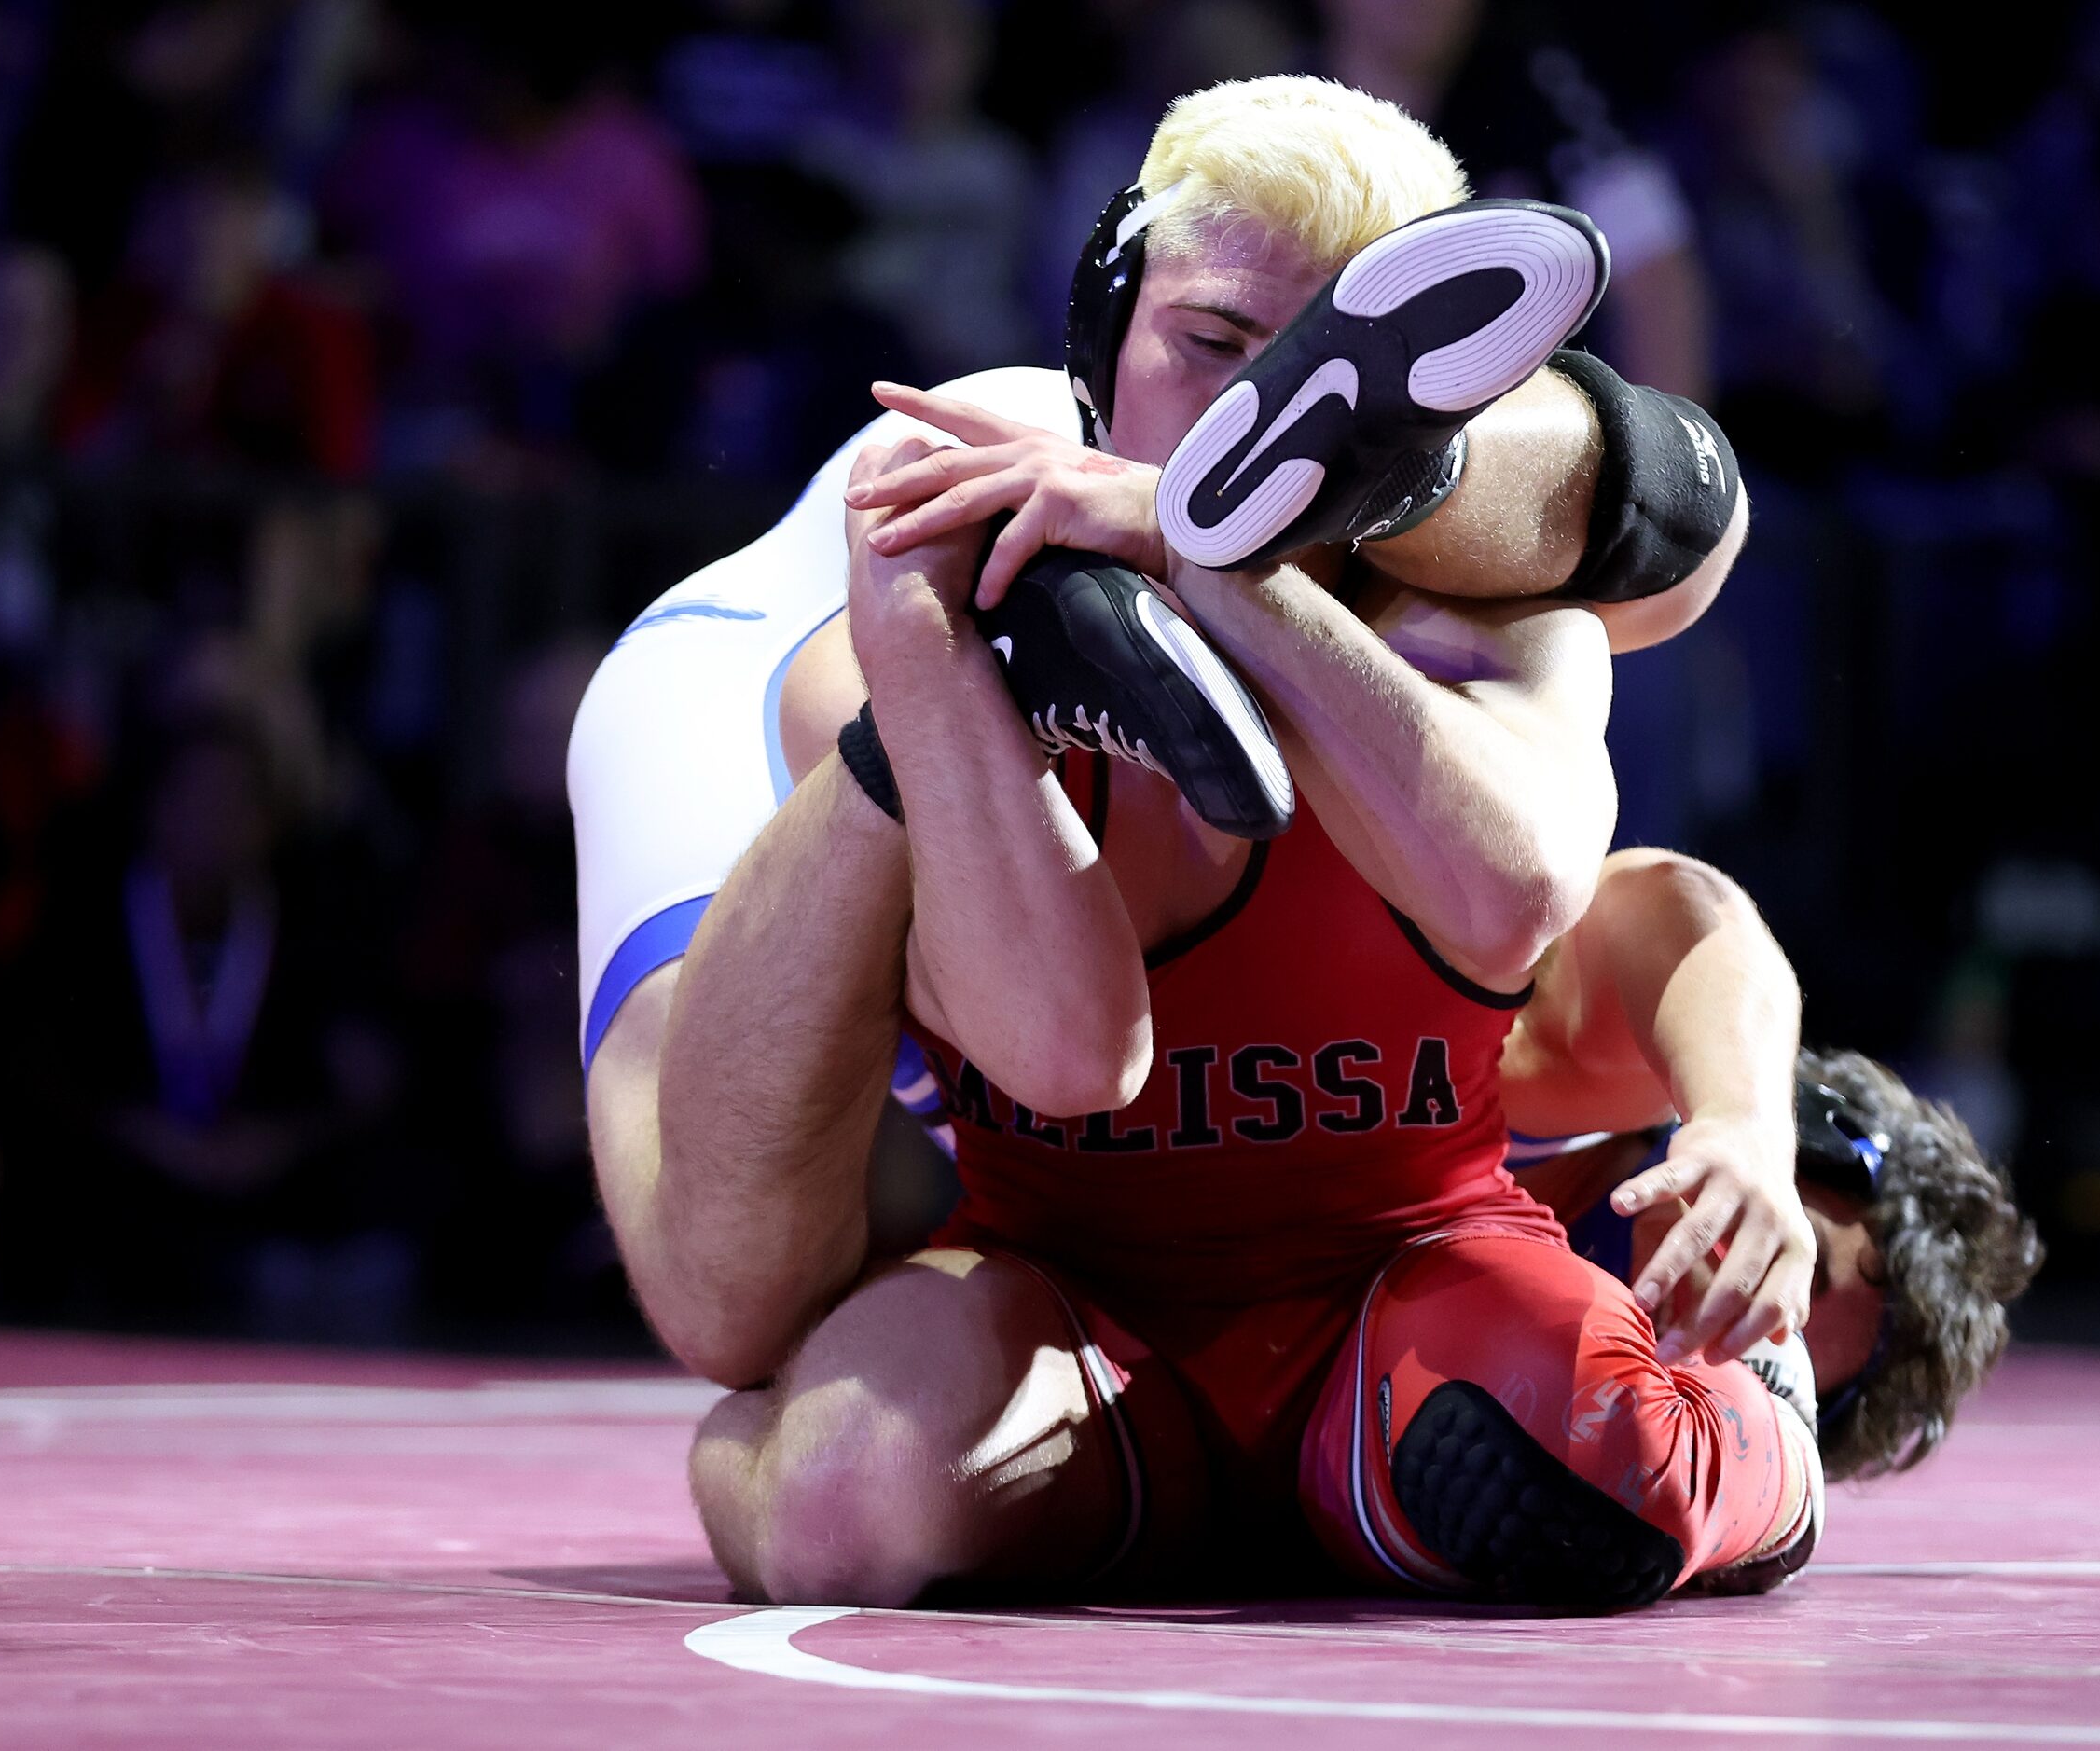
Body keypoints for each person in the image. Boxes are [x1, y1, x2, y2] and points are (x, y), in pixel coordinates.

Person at [576, 76, 1779, 1611]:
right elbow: (1065, 1050)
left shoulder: (1501, 619)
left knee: (1586, 1439)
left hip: (1301, 1211)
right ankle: (796, 1446)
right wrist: (928, 659)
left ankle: (1232, 1479)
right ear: (1104, 342)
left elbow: (1535, 874)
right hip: (878, 592)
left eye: (1284, 383)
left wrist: (1202, 552)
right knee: (745, 1316)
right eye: (1212, 356)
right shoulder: (867, 628)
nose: (1232, 416)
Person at [1494, 847, 2044, 1481]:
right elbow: (1679, 905)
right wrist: (1741, 1120)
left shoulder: (1466, 1422)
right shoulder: (1587, 1071)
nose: (1722, 1312)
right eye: (1788, 1266)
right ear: (1803, 1132)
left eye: (1761, 1353)